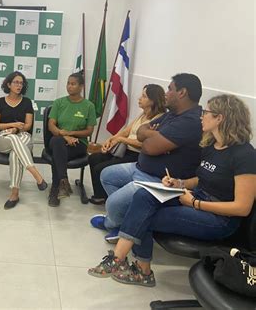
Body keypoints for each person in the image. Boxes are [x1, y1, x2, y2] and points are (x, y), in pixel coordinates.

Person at [87, 94, 256, 287]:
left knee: (145, 216)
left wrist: (195, 203)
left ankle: (131, 266)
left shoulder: (245, 155)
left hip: (219, 219)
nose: (201, 116)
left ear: (220, 118)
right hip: (196, 198)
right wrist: (179, 183)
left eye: (206, 113)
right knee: (143, 196)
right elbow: (202, 179)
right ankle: (125, 262)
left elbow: (242, 208)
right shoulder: (211, 145)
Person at [91, 73, 203, 243]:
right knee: (107, 175)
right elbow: (143, 129)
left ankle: (113, 222)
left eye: (170, 89)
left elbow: (149, 147)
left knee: (112, 204)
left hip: (158, 180)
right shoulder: (173, 114)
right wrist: (156, 134)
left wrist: (152, 136)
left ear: (182, 93)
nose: (166, 93)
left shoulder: (190, 121)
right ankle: (125, 220)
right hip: (140, 167)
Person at [88, 84, 166, 205]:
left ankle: (113, 201)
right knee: (94, 158)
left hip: (137, 156)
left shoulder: (159, 120)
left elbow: (144, 143)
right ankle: (101, 195)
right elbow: (126, 131)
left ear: (153, 101)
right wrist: (110, 140)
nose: (139, 98)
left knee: (101, 168)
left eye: (144, 96)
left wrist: (122, 140)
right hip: (124, 151)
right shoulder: (143, 114)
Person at [0, 71, 48, 210]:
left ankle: (14, 194)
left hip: (23, 135)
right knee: (11, 138)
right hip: (3, 137)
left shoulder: (27, 102)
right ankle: (35, 173)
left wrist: (17, 129)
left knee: (15, 153)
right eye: (16, 82)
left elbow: (28, 125)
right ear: (9, 84)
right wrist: (13, 126)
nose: (19, 85)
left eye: (21, 83)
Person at [47, 73, 96, 207]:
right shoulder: (59, 102)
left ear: (81, 86)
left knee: (58, 154)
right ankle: (63, 180)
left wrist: (71, 134)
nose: (69, 86)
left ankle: (56, 188)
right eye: (68, 83)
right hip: (58, 139)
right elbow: (51, 125)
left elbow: (89, 131)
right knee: (58, 143)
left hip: (78, 144)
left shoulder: (89, 106)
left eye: (73, 84)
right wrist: (64, 136)